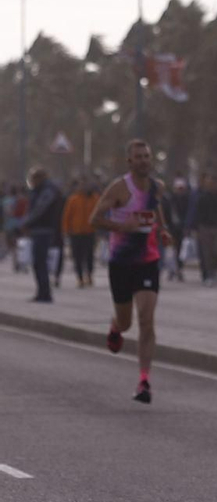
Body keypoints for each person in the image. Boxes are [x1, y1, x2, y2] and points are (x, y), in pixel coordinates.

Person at [90, 140, 175, 403]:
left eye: (147, 156)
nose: (143, 161)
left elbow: (155, 208)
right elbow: (94, 219)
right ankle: (116, 327)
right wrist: (122, 226)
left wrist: (162, 229)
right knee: (127, 321)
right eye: (138, 157)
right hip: (121, 263)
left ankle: (144, 381)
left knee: (147, 318)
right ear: (130, 161)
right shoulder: (119, 188)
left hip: (148, 260)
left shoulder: (156, 187)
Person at [21, 168, 65, 303]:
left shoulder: (47, 190)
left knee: (40, 263)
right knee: (38, 263)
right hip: (40, 230)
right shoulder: (43, 190)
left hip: (44, 230)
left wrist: (26, 223)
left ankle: (45, 293)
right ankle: (42, 292)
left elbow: (39, 209)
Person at [62, 178, 99, 288]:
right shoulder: (73, 199)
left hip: (90, 231)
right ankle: (80, 278)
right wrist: (66, 230)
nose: (84, 187)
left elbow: (99, 214)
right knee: (77, 256)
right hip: (76, 232)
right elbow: (67, 215)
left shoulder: (95, 198)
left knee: (89, 255)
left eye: (86, 185)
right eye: (82, 185)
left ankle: (89, 275)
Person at [163, 177, 193, 282]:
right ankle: (171, 270)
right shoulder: (169, 200)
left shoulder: (187, 200)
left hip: (181, 228)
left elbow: (189, 214)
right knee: (171, 250)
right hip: (171, 228)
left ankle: (179, 269)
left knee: (180, 250)